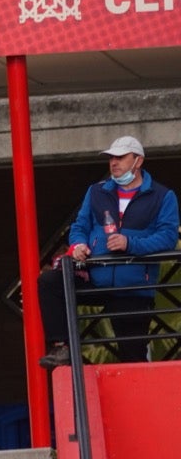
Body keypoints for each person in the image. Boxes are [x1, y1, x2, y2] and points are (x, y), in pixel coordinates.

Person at [38, 136, 179, 367]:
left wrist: (130, 243)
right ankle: (61, 347)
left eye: (121, 157)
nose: (114, 162)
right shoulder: (96, 191)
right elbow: (79, 227)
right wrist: (78, 246)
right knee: (50, 282)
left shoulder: (163, 196)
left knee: (132, 355)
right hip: (96, 279)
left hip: (133, 287)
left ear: (138, 161)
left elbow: (168, 238)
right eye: (111, 158)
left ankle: (136, 400)